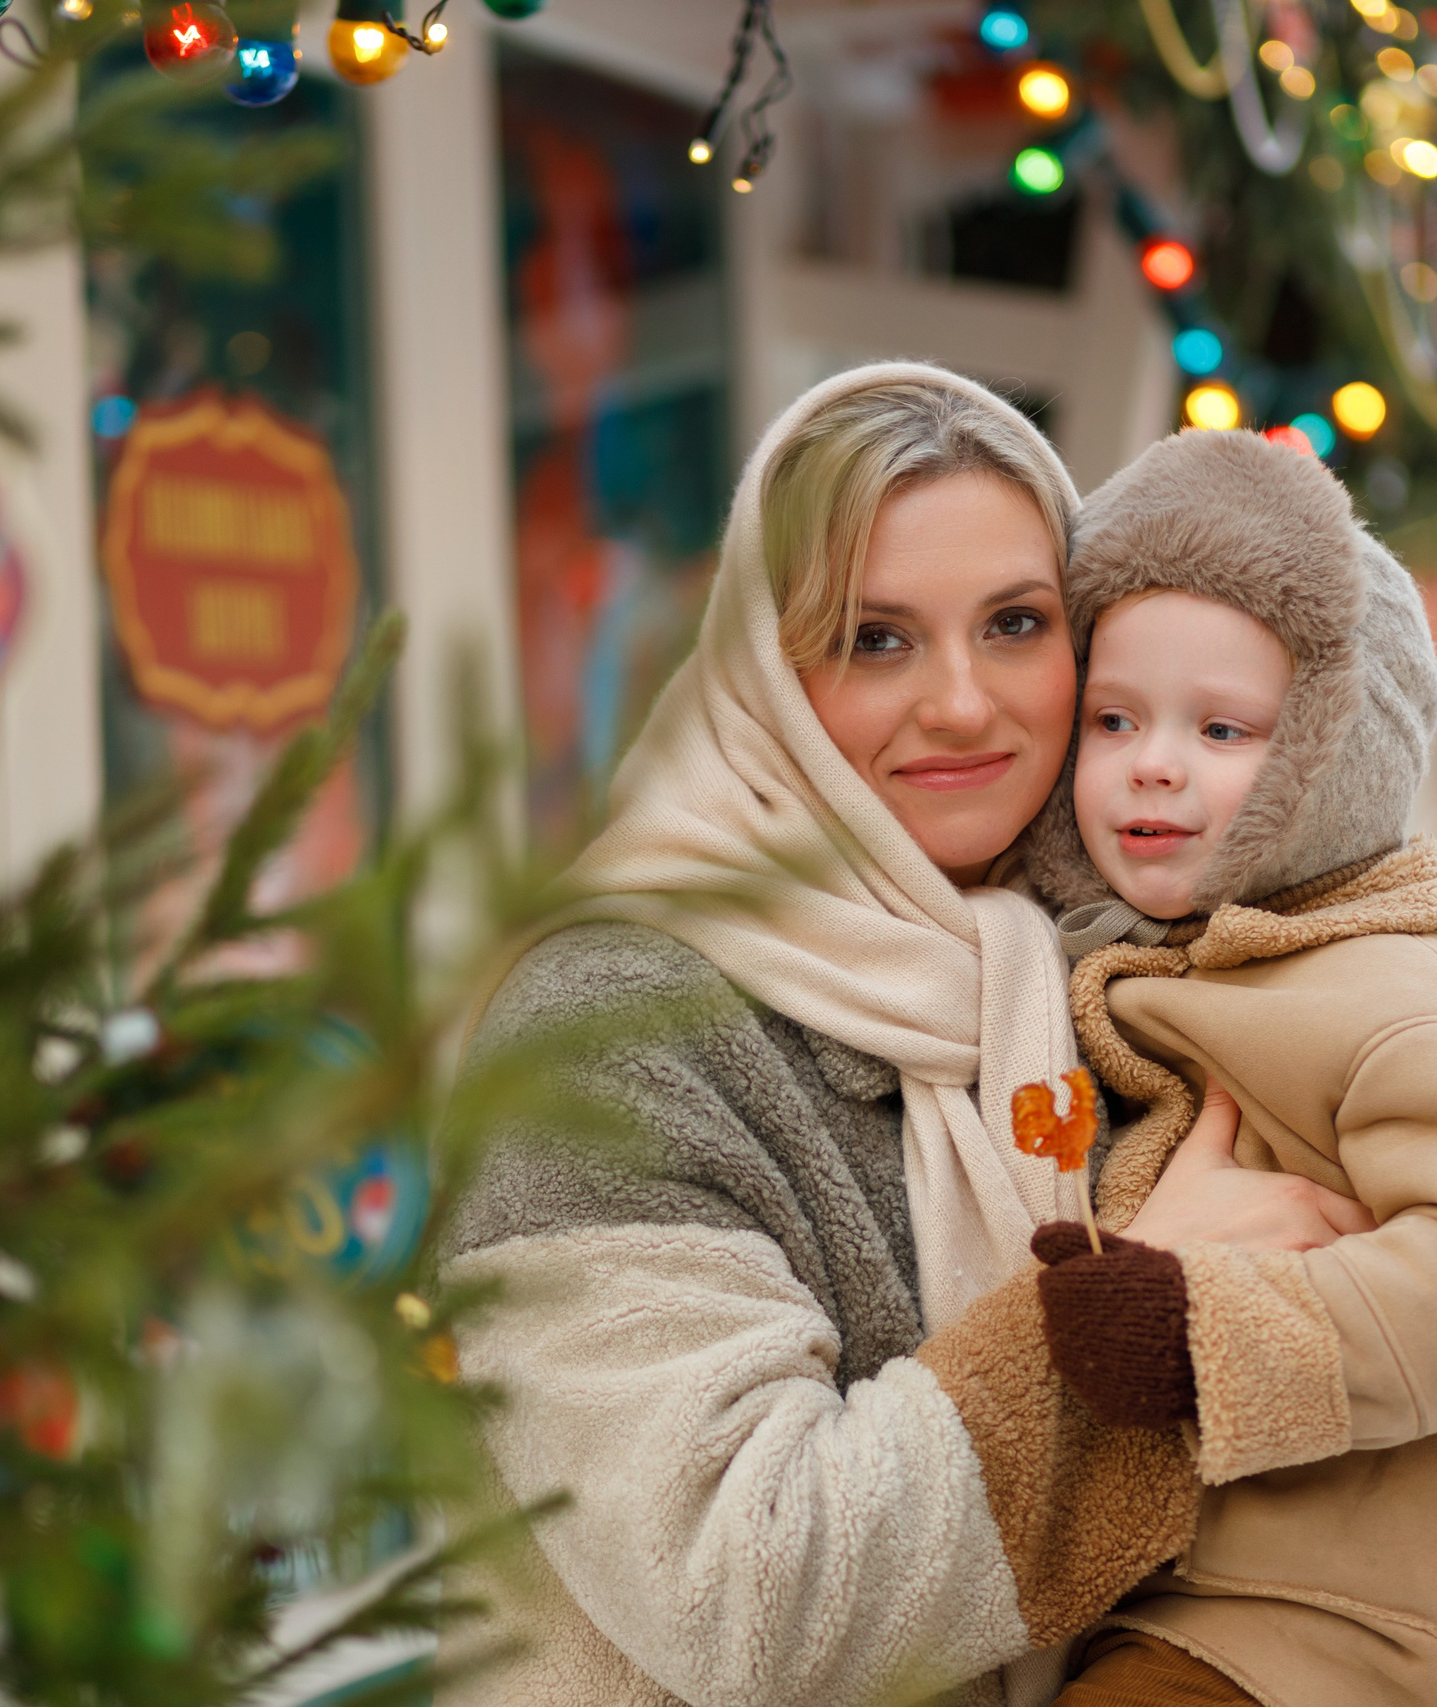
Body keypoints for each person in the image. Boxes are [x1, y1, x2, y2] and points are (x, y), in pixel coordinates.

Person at [438, 366, 1351, 1707]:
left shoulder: (1087, 970)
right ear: (767, 671)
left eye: (1017, 623)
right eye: (876, 637)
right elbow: (747, 1588)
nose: (967, 702)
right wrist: (1136, 1299)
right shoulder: (601, 1026)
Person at [1016, 427, 1437, 1707]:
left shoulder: (1401, 993)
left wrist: (1215, 1337)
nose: (1154, 761)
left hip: (1318, 1634)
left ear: (1330, 751)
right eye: (1113, 717)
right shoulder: (1154, 968)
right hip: (1185, 1607)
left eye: (1223, 727)